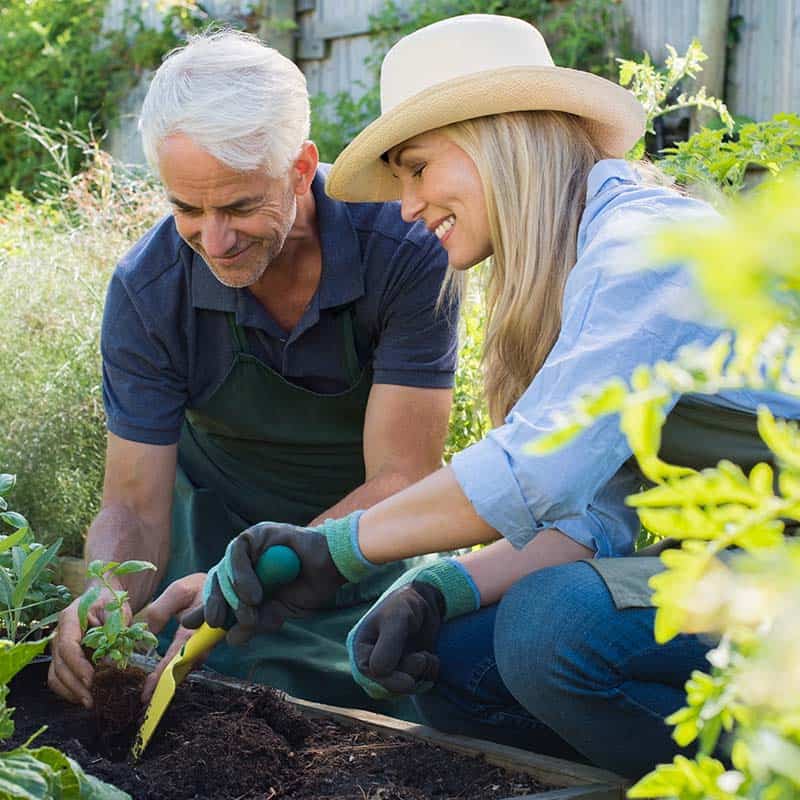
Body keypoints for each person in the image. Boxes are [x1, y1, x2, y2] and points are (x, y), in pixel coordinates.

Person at [173, 14, 800, 777]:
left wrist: (335, 549)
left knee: (550, 626)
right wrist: (440, 588)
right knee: (444, 654)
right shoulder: (579, 267)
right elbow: (599, 516)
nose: (405, 206)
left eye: (418, 168)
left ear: (500, 137)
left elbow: (536, 469)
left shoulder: (646, 250)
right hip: (747, 570)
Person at [47, 29, 460, 716]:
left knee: (409, 702)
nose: (214, 240)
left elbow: (402, 477)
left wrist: (267, 573)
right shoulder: (150, 291)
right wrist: (107, 595)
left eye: (239, 206)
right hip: (206, 558)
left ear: (300, 169)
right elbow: (132, 506)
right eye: (186, 208)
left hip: (365, 552)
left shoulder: (402, 252)